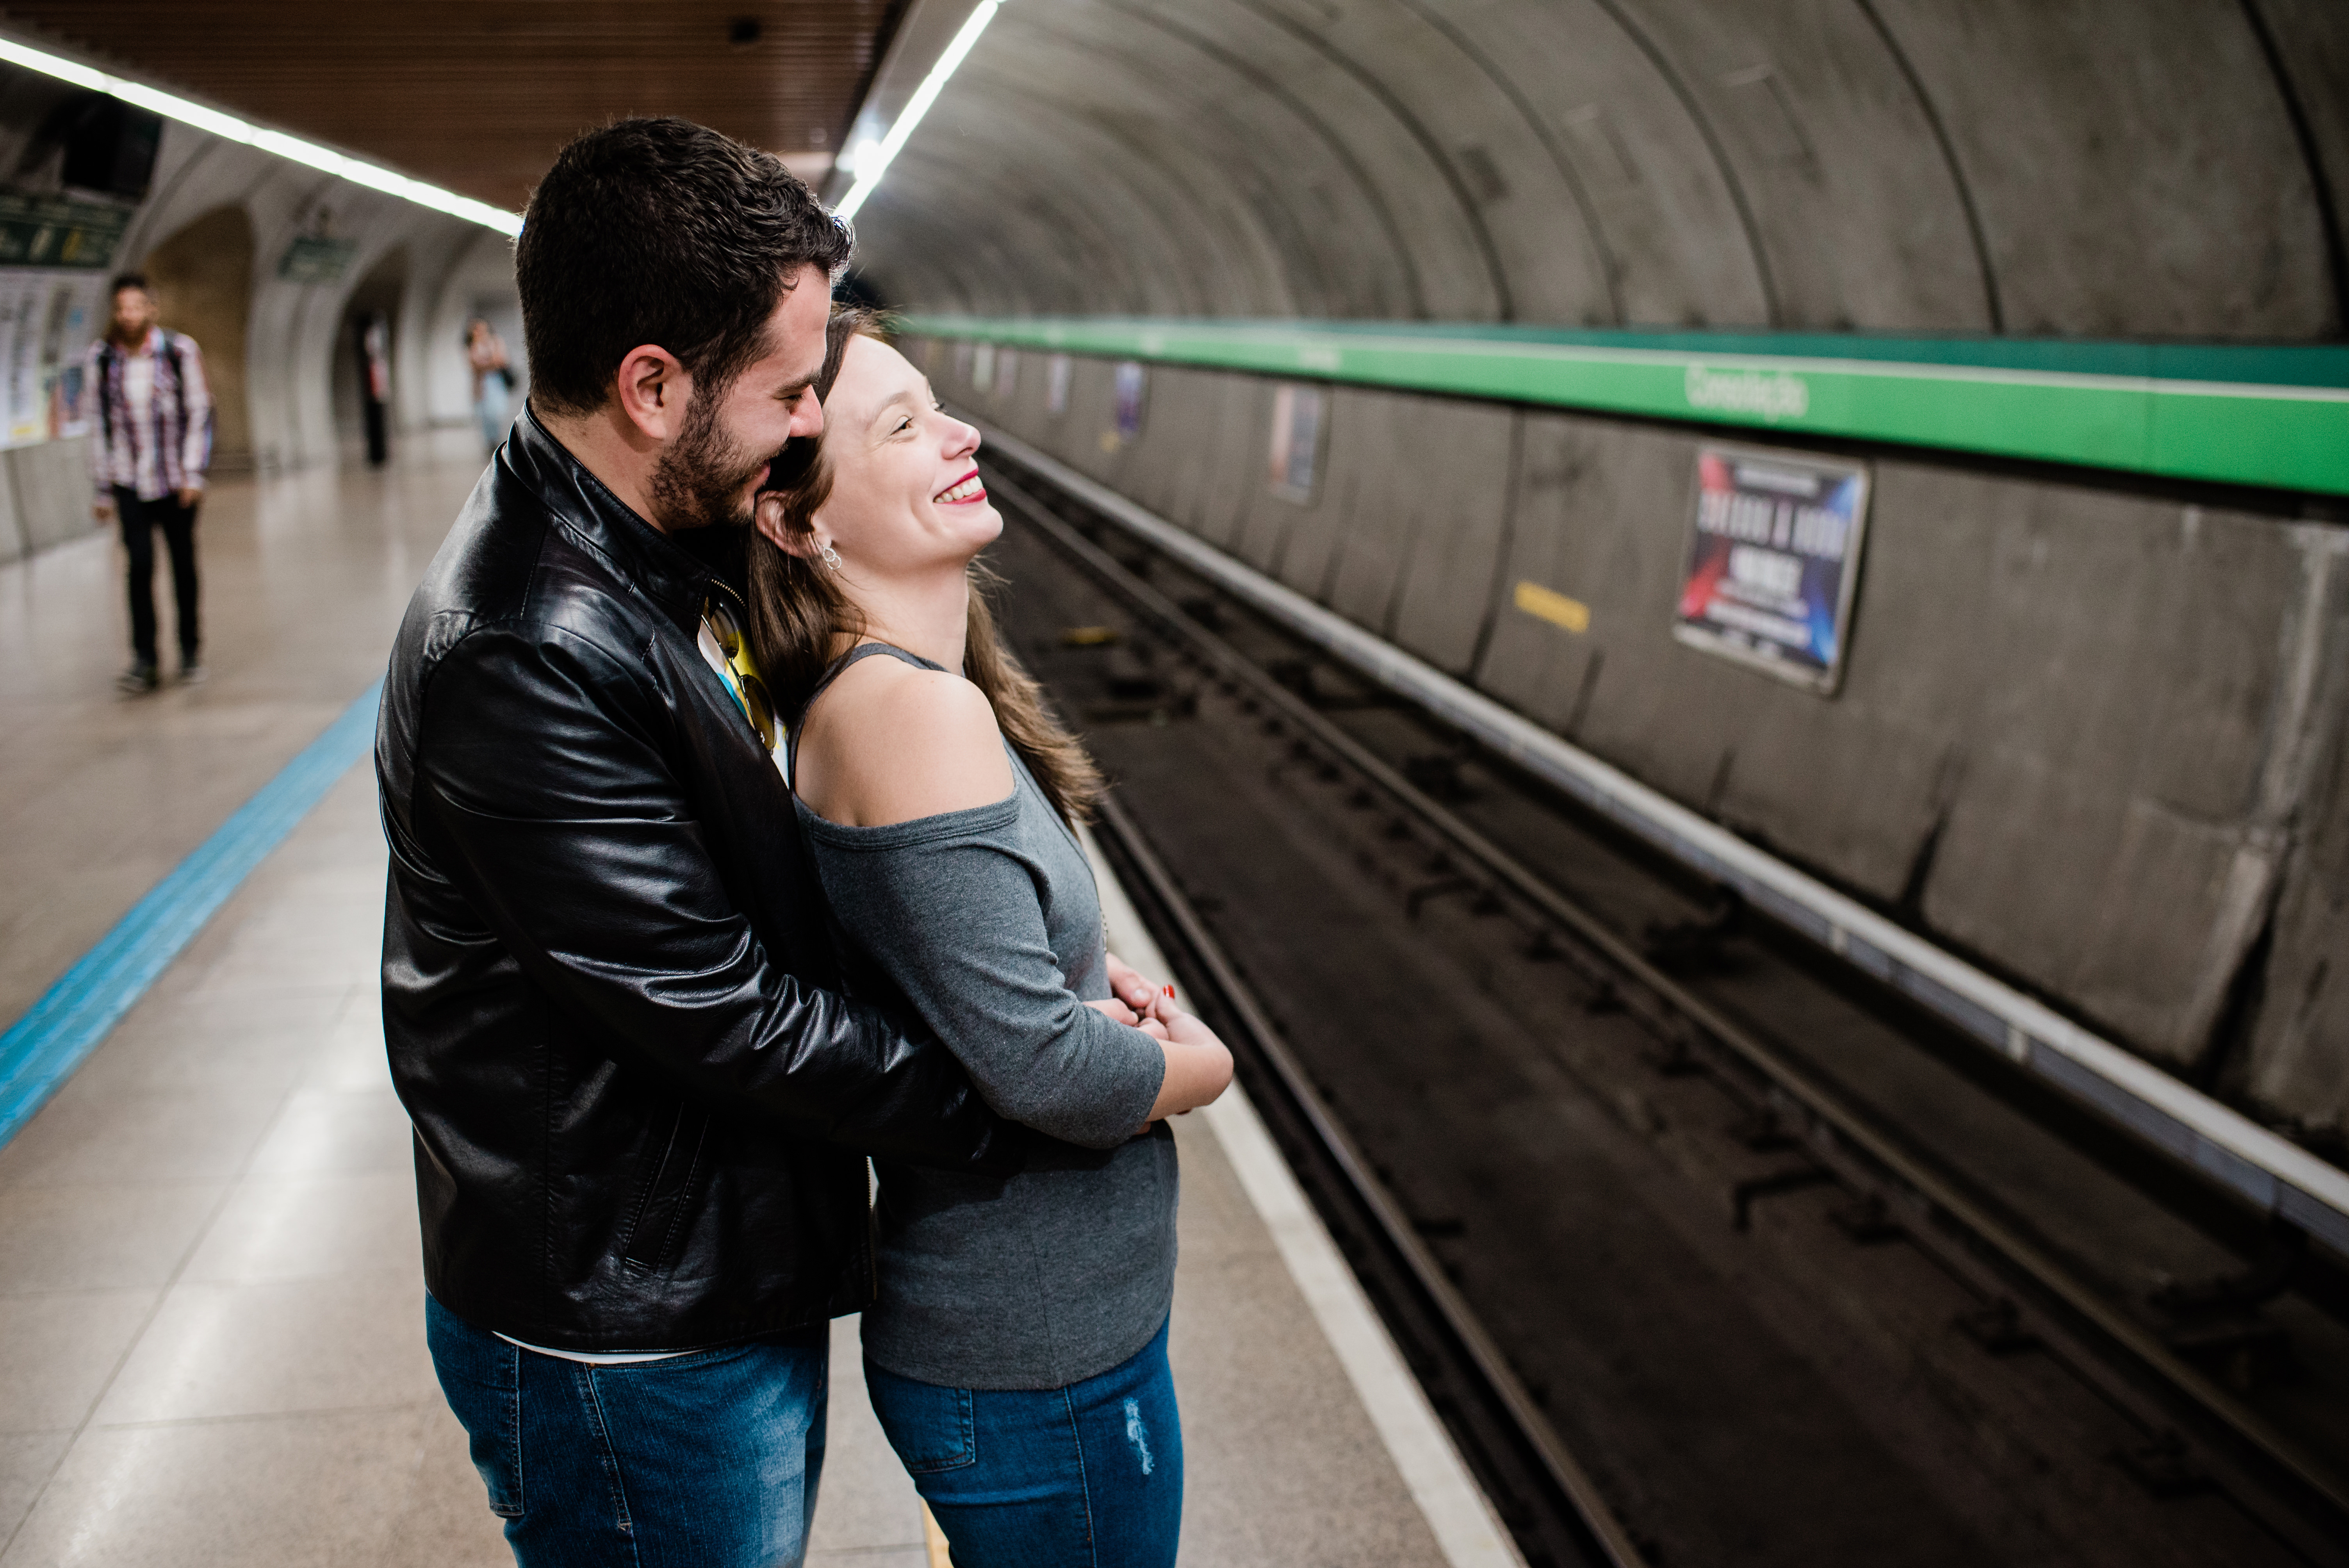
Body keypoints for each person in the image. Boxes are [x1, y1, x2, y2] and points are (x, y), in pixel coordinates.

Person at [376, 118, 1186, 1568]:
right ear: (650, 387)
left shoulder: (656, 543)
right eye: (790, 391)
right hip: (628, 1334)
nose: (808, 425)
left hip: (712, 1268)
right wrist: (1032, 1079)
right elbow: (718, 1011)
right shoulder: (526, 646)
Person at [745, 309, 1235, 1568]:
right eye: (901, 425)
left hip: (1038, 1342)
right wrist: (1203, 1067)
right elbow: (1044, 1072)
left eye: (939, 403)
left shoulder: (890, 691)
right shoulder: (914, 714)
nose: (959, 432)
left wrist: (1080, 978)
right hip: (1041, 1360)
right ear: (800, 524)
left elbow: (964, 976)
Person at [86, 272, 213, 693]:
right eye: (122, 308)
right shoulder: (103, 360)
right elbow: (97, 425)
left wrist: (193, 472)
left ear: (151, 309)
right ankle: (145, 659)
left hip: (176, 482)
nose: (129, 315)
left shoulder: (179, 352)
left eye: (137, 307)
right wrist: (102, 488)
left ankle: (190, 650)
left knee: (183, 567)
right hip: (129, 481)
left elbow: (199, 411)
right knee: (138, 566)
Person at [465, 315, 513, 453]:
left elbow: (501, 361)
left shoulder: (496, 341)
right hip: (481, 386)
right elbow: (474, 365)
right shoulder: (473, 346)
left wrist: (486, 363)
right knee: (484, 414)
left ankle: (499, 440)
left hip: (496, 383)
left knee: (497, 412)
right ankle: (490, 443)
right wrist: (490, 363)